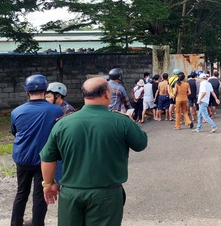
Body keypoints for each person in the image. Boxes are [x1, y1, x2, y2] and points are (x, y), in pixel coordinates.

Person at [40, 77, 148, 226]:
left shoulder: (63, 123)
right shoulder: (122, 121)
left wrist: (48, 184)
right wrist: (131, 122)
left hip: (71, 193)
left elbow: (47, 158)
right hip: (107, 194)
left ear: (84, 95)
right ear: (107, 94)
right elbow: (140, 144)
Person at [10, 75, 64, 226]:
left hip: (23, 158)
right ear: (46, 90)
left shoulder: (16, 112)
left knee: (21, 193)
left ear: (27, 92)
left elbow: (15, 132)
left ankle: (15, 223)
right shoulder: (56, 111)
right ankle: (38, 223)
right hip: (44, 161)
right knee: (40, 196)